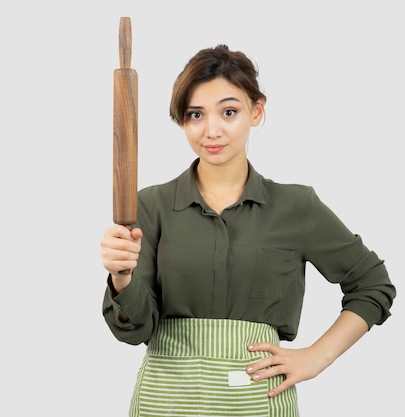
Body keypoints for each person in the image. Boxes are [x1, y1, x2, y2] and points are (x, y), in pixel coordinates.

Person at [100, 44, 396, 417]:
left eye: (229, 111)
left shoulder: (296, 207)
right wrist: (121, 278)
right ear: (182, 121)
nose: (212, 130)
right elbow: (135, 330)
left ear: (256, 111)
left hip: (259, 400)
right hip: (167, 400)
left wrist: (316, 358)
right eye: (195, 114)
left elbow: (373, 283)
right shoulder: (150, 206)